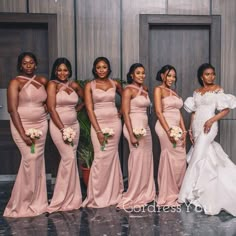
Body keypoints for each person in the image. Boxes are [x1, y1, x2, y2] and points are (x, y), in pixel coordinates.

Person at [178, 63, 236, 216]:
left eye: (213, 74)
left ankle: (189, 193)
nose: (211, 76)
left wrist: (211, 121)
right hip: (197, 127)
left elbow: (226, 109)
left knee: (197, 156)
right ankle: (208, 189)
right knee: (205, 155)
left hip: (209, 126)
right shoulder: (197, 92)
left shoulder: (218, 90)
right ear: (201, 76)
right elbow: (194, 112)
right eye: (208, 74)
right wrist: (190, 128)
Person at [4, 52, 48, 217]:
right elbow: (12, 109)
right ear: (20, 66)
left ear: (36, 65)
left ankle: (38, 201)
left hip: (42, 125)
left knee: (37, 161)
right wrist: (22, 133)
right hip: (22, 125)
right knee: (30, 160)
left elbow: (50, 101)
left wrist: (42, 109)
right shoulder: (15, 82)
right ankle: (21, 203)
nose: (28, 65)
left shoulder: (42, 81)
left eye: (31, 63)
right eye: (25, 63)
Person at [82, 56, 124, 208]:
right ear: (94, 69)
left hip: (114, 123)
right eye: (98, 67)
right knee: (100, 157)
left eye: (104, 67)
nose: (101, 70)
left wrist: (121, 111)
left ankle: (113, 193)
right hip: (98, 123)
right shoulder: (89, 85)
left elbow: (126, 95)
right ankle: (97, 195)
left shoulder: (115, 84)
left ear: (108, 68)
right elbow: (88, 108)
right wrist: (98, 131)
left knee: (112, 157)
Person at [46, 57, 84, 213]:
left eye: (65, 70)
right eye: (59, 70)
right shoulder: (52, 85)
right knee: (68, 158)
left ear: (70, 71)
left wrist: (76, 110)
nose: (62, 73)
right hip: (58, 126)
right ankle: (59, 199)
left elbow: (87, 101)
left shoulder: (74, 85)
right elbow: (51, 108)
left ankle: (73, 197)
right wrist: (62, 129)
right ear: (55, 71)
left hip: (74, 126)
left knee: (71, 158)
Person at [117, 63, 156, 209]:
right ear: (132, 75)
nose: (141, 75)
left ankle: (145, 191)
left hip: (145, 128)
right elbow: (125, 113)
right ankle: (135, 192)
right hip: (133, 126)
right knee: (137, 158)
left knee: (146, 158)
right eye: (138, 73)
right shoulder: (128, 90)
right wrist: (132, 134)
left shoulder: (144, 89)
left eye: (143, 73)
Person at [154, 65, 187, 207]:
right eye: (169, 75)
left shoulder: (173, 92)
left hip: (177, 127)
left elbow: (178, 112)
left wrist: (184, 130)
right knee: (168, 156)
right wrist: (168, 131)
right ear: (162, 76)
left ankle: (178, 190)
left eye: (173, 76)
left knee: (180, 158)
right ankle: (167, 192)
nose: (171, 78)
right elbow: (158, 112)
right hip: (164, 126)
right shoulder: (158, 90)